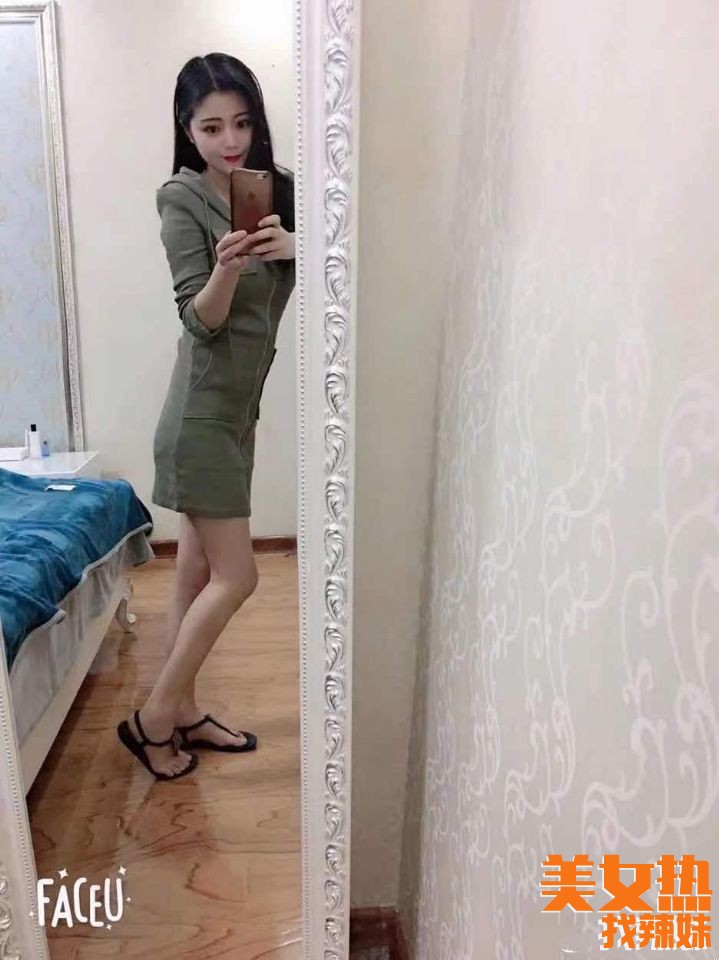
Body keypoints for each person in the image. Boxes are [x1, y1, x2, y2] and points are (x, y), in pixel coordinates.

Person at [117, 53, 295, 780]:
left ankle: (184, 707)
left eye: (242, 123)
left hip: (239, 412)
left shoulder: (280, 190)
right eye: (212, 126)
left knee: (193, 569)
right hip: (200, 415)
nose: (231, 141)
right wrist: (226, 267)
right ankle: (155, 717)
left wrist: (302, 246)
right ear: (187, 129)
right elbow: (201, 321)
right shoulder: (181, 199)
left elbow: (340, 268)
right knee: (238, 577)